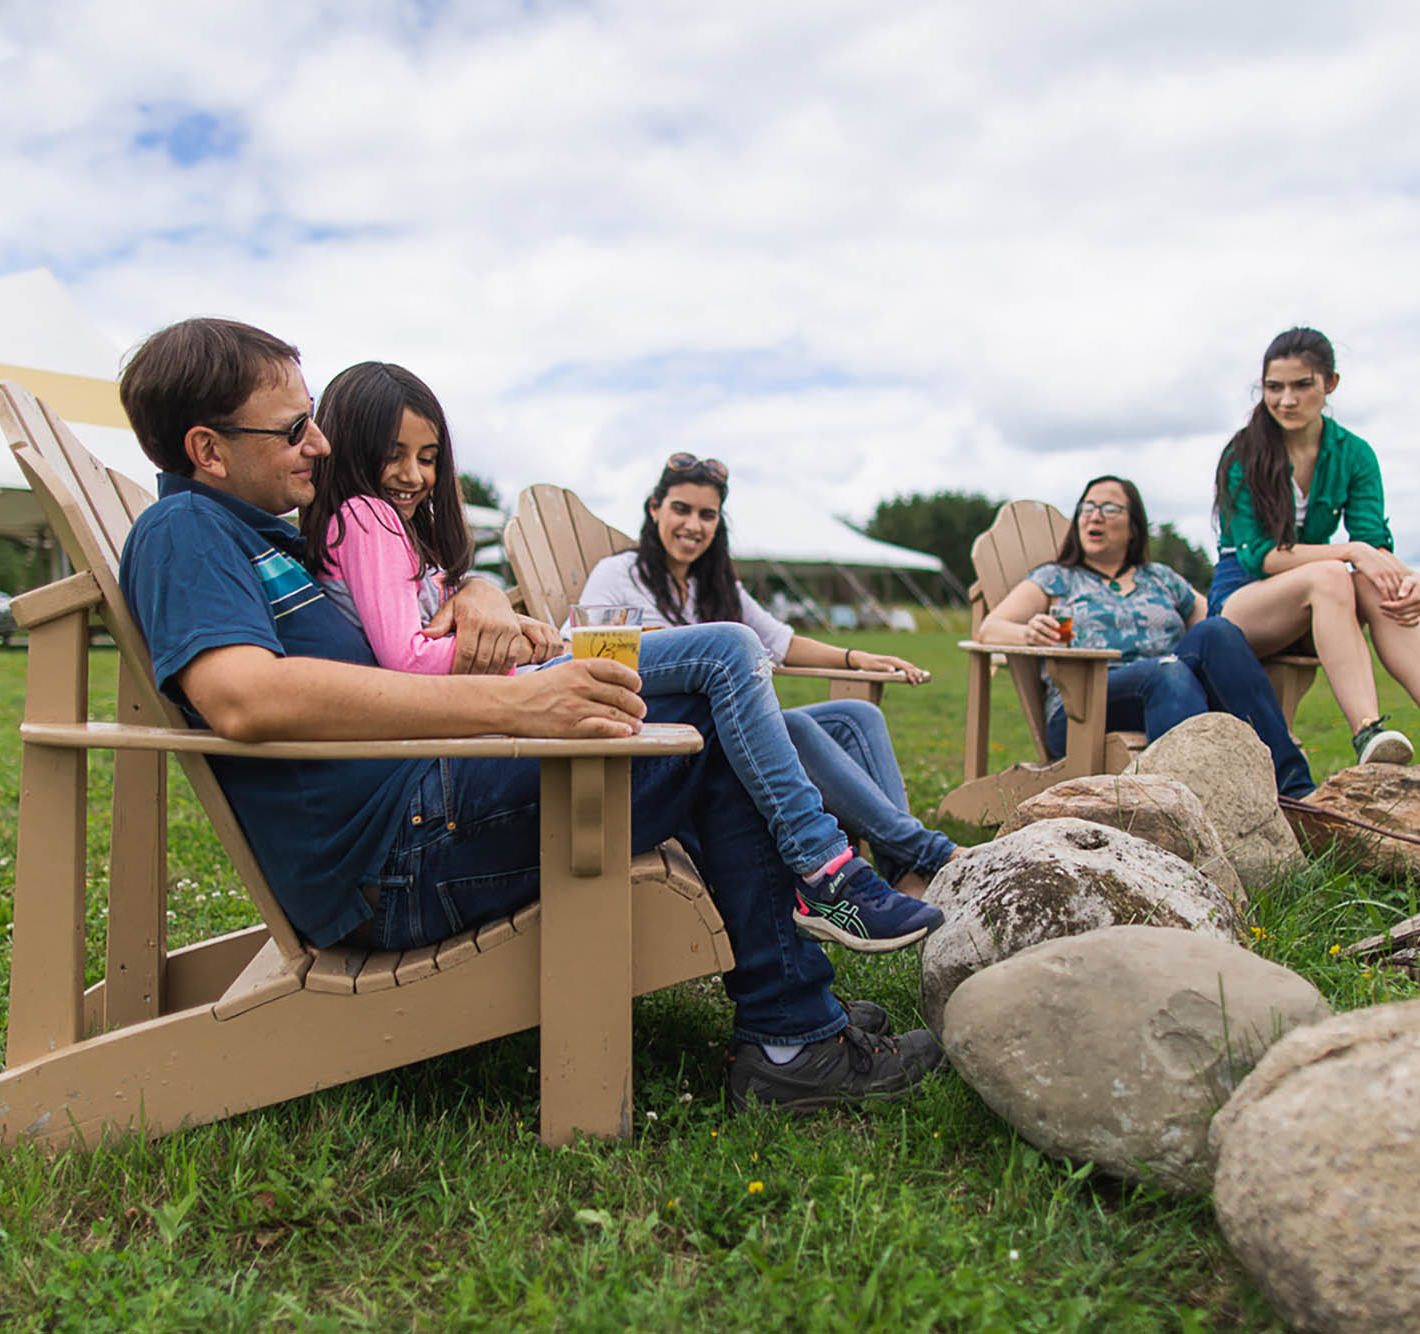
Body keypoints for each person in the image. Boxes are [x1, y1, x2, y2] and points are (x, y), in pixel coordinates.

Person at [115, 319, 943, 1113]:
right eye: (295, 428)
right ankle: (794, 1026)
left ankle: (793, 1022)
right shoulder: (184, 530)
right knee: (709, 707)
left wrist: (474, 590)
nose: (321, 442)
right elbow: (243, 696)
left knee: (702, 704)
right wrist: (517, 701)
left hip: (422, 808)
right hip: (393, 858)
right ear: (207, 450)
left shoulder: (274, 537)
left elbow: (411, 596)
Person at [297, 363, 943, 954]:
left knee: (797, 687)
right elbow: (408, 663)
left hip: (499, 706)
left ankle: (886, 865)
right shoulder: (369, 518)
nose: (415, 475)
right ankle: (830, 868)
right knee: (727, 648)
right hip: (500, 716)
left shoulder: (373, 524)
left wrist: (500, 621)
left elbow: (418, 640)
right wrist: (509, 653)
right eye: (395, 455)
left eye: (429, 458)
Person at [575, 453, 961, 891]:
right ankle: (932, 853)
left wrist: (857, 658)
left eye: (707, 515)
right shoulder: (618, 575)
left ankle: (903, 867)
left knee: (859, 716)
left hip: (734, 731)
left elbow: (784, 644)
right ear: (654, 508)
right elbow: (581, 653)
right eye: (681, 509)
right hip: (670, 742)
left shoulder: (714, 585)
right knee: (791, 726)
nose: (693, 525)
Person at [1209, 328, 1420, 774]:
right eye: (1274, 387)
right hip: (1243, 605)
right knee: (1333, 574)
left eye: (1302, 385)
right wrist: (1352, 552)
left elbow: (1373, 543)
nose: (1286, 400)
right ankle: (1367, 730)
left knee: (1378, 584)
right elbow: (1261, 557)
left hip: (1320, 604)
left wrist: (1410, 578)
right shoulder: (1243, 453)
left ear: (1330, 384)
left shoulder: (1354, 454)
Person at [978, 475, 1316, 799]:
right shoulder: (1056, 578)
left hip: (1174, 691)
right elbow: (990, 628)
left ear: (1133, 527)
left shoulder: (1162, 579)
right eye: (1087, 507)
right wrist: (1028, 632)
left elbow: (1218, 625)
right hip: (1083, 708)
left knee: (1218, 631)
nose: (1094, 516)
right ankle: (1193, 802)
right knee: (1166, 671)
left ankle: (1295, 790)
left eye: (1109, 508)